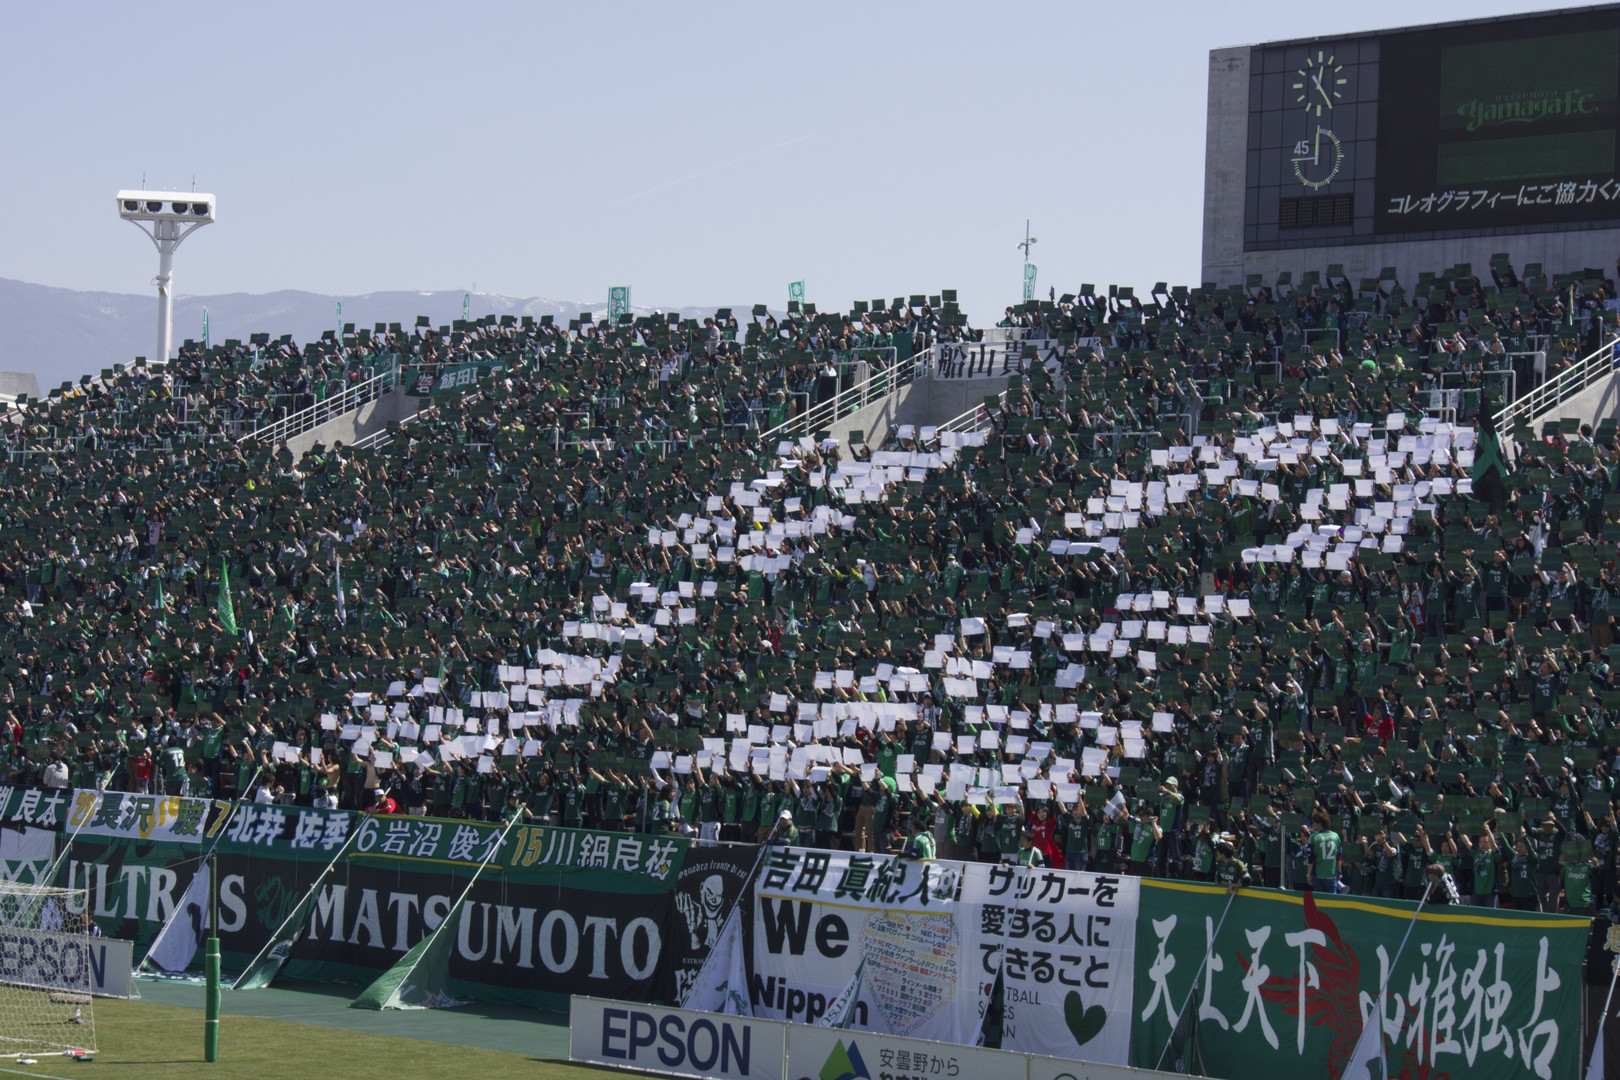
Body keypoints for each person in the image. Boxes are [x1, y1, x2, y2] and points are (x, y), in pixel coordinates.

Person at [1307, 810, 1343, 894]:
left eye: (1314, 822)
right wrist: (1339, 871)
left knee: (1318, 899)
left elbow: (1311, 858)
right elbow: (1338, 857)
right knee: (1331, 900)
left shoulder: (1313, 837)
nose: (1312, 824)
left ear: (1319, 824)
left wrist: (1308, 874)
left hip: (1318, 874)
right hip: (1331, 874)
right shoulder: (1335, 836)